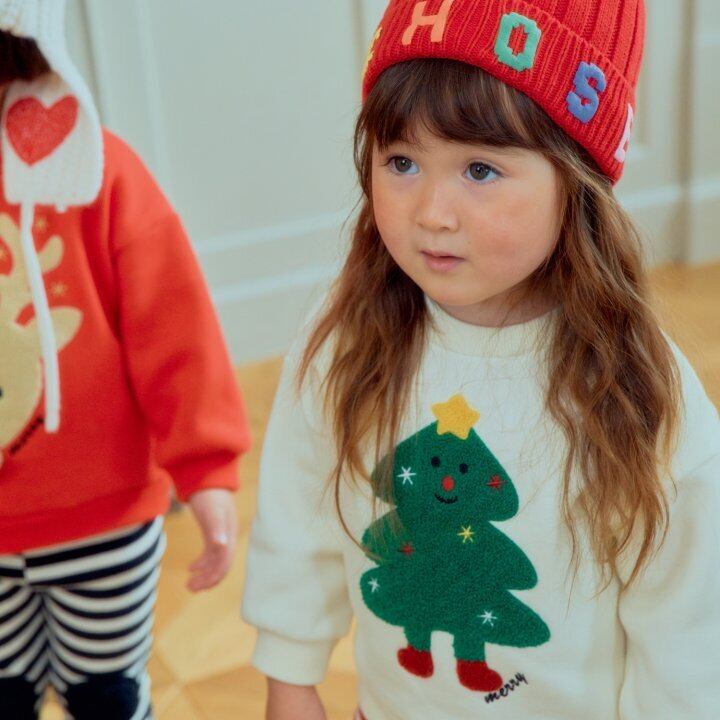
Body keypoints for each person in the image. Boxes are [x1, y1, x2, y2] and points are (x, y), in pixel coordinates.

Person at [242, 1, 720, 718]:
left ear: (577, 183)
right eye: (402, 162)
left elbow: (688, 633)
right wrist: (289, 674)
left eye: (479, 169)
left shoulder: (642, 395)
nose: (432, 212)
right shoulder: (345, 338)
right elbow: (297, 514)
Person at [0, 2, 251, 718]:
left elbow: (172, 326)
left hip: (103, 520)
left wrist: (206, 466)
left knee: (105, 695)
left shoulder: (94, 169)